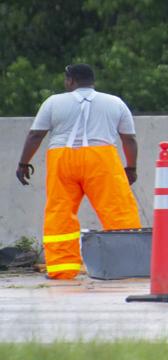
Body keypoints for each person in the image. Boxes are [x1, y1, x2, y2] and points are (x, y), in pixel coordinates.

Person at [14, 63, 143, 280]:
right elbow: (129, 139)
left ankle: (62, 269)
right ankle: (128, 265)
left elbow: (35, 135)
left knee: (60, 213)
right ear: (92, 81)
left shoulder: (53, 102)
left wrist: (23, 163)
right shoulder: (115, 102)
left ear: (70, 81)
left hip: (62, 158)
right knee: (118, 211)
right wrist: (131, 167)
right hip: (101, 160)